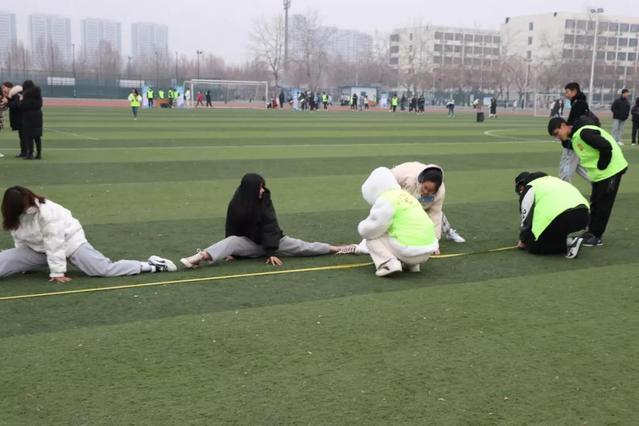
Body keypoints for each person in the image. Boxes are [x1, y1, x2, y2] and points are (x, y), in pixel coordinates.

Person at [0, 186, 176, 281]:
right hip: (39, 249)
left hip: (70, 243)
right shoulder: (14, 216)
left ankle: (152, 265)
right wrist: (24, 264)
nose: (30, 206)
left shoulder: (48, 212)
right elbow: (20, 237)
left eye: (29, 202)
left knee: (103, 270)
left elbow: (55, 243)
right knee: (4, 259)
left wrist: (57, 272)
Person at [180, 174, 356, 268]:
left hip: (274, 242)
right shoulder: (236, 204)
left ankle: (339, 248)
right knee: (232, 241)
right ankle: (199, 257)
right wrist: (233, 253)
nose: (263, 190)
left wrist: (271, 252)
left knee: (304, 247)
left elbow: (270, 227)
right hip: (251, 245)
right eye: (260, 187)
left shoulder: (265, 201)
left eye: (263, 186)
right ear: (250, 189)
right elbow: (231, 227)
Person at [548, 117, 629, 246]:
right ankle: (591, 232)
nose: (557, 137)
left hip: (611, 171)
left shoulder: (583, 133)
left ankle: (596, 236)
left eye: (557, 133)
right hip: (599, 175)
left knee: (603, 204)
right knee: (595, 202)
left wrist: (602, 164)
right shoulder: (575, 138)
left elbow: (606, 146)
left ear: (563, 126)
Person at [357, 167, 439, 277]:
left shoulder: (386, 199)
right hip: (428, 250)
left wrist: (362, 227)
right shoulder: (407, 196)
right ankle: (412, 265)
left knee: (372, 238)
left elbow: (373, 228)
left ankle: (388, 263)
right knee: (401, 228)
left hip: (409, 251)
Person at [515, 172, 589, 259]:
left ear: (523, 185)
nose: (521, 192)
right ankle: (569, 241)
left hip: (562, 217)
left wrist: (523, 240)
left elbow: (526, 220)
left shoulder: (530, 187)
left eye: (520, 189)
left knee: (534, 247)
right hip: (584, 215)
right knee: (551, 231)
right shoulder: (554, 180)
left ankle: (569, 242)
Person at [19, 80, 43, 160]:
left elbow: (23, 106)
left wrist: (21, 100)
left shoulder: (26, 95)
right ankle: (39, 154)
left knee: (29, 136)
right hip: (38, 115)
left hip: (28, 116)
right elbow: (40, 104)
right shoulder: (38, 94)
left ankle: (30, 154)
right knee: (37, 136)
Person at [2, 82, 25, 157]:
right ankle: (24, 152)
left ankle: (25, 152)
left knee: (23, 136)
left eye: (4, 87)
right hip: (20, 118)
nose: (3, 89)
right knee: (22, 136)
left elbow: (17, 105)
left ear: (9, 87)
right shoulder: (13, 94)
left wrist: (7, 102)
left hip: (21, 118)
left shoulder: (16, 94)